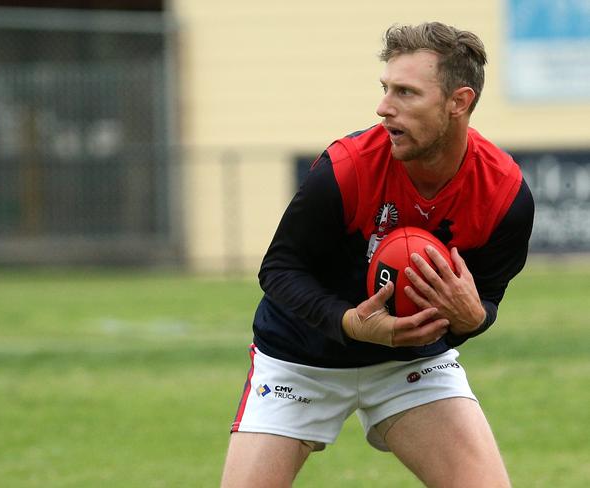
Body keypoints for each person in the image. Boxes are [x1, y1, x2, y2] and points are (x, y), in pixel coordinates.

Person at [221, 21, 534, 488]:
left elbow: (486, 298)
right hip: (299, 360)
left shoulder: (504, 195)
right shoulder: (347, 168)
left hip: (410, 365)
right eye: (386, 88)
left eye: (406, 92)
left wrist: (474, 319)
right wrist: (351, 322)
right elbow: (279, 270)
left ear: (459, 102)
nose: (384, 108)